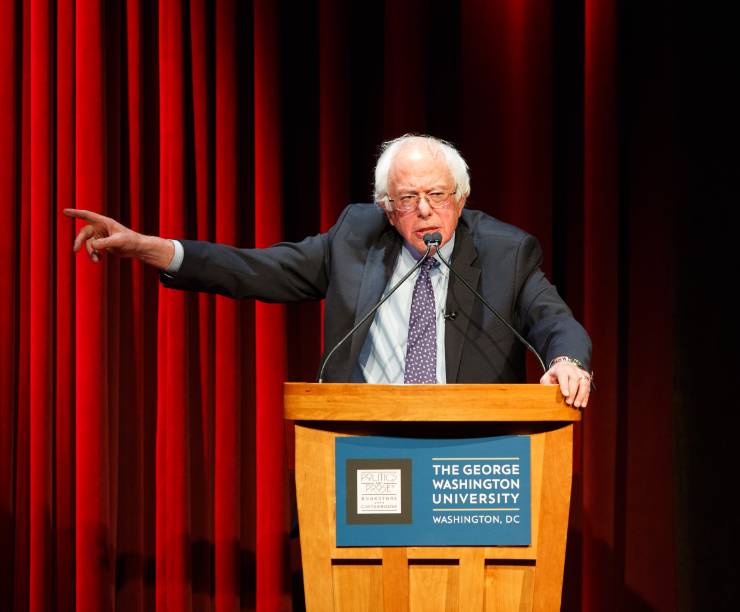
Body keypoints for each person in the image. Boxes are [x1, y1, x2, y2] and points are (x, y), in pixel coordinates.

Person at [65, 134, 592, 407]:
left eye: (437, 195)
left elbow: (552, 320)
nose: (426, 210)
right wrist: (153, 249)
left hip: (470, 457)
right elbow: (258, 269)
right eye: (409, 199)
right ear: (387, 207)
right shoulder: (354, 237)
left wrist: (567, 360)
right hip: (366, 444)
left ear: (462, 196)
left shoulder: (507, 251)